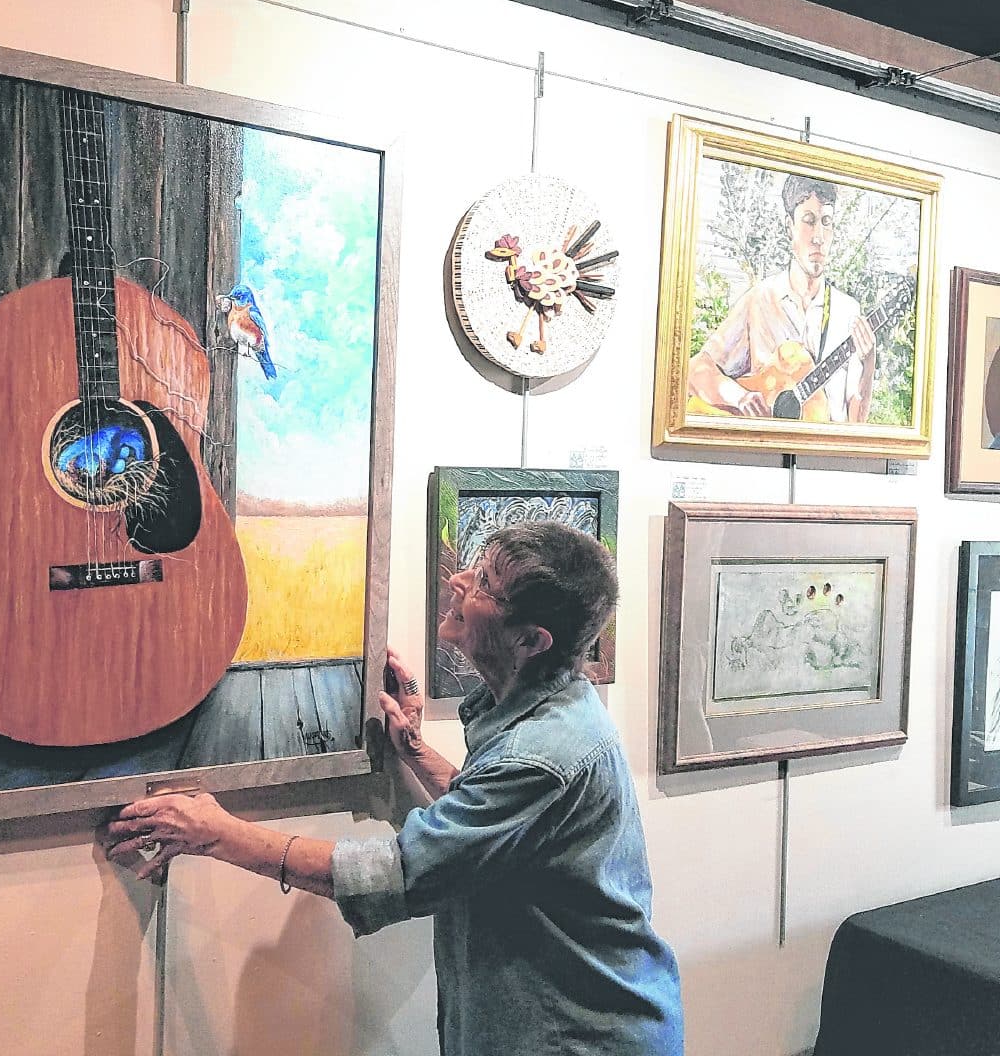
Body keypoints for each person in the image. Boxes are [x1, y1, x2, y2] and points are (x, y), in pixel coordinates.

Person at [102, 521, 683, 1056]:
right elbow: (496, 827)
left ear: (531, 640)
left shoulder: (543, 754)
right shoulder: (553, 714)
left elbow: (398, 873)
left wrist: (215, 831)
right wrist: (412, 749)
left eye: (484, 583)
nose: (457, 581)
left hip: (578, 1038)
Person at [687, 174, 876, 422]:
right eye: (809, 221)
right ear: (789, 226)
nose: (818, 236)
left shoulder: (848, 311)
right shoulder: (760, 299)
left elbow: (856, 423)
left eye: (826, 222)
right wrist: (740, 397)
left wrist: (869, 360)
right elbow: (696, 369)